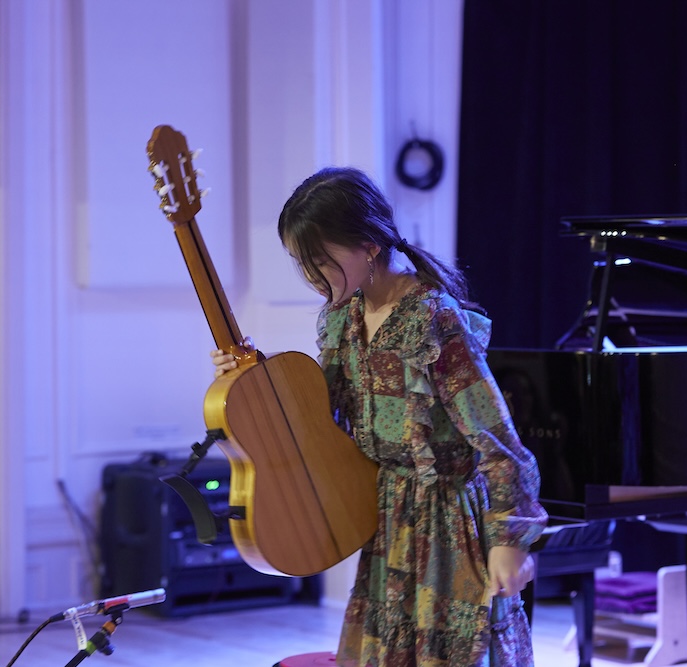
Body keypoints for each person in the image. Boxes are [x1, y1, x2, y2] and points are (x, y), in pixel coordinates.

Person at [211, 167, 547, 667]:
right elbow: (316, 415)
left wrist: (509, 540)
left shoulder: (433, 320)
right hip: (389, 516)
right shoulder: (344, 318)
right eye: (302, 264)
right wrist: (250, 375)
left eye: (321, 261)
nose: (312, 277)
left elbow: (497, 439)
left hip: (449, 519)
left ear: (369, 247)